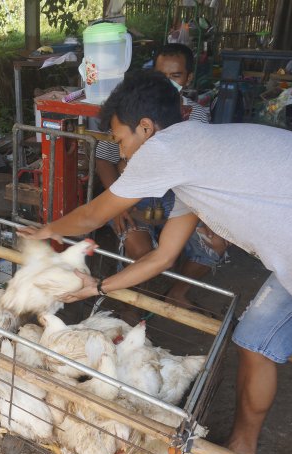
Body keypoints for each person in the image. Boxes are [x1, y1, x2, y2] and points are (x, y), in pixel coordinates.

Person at [19, 70, 292, 454]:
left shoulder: (167, 151)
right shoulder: (195, 165)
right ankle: (240, 453)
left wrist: (44, 231)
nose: (123, 156)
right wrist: (99, 288)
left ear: (147, 129)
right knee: (254, 342)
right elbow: (162, 256)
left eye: (120, 141)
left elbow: (91, 217)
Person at [94, 43, 226, 309]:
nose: (167, 83)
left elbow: (199, 169)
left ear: (188, 78)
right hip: (135, 198)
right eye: (161, 75)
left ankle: (177, 293)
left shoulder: (196, 115)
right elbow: (104, 159)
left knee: (216, 242)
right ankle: (132, 306)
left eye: (175, 76)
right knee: (140, 251)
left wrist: (208, 213)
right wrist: (117, 206)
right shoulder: (129, 113)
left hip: (179, 199)